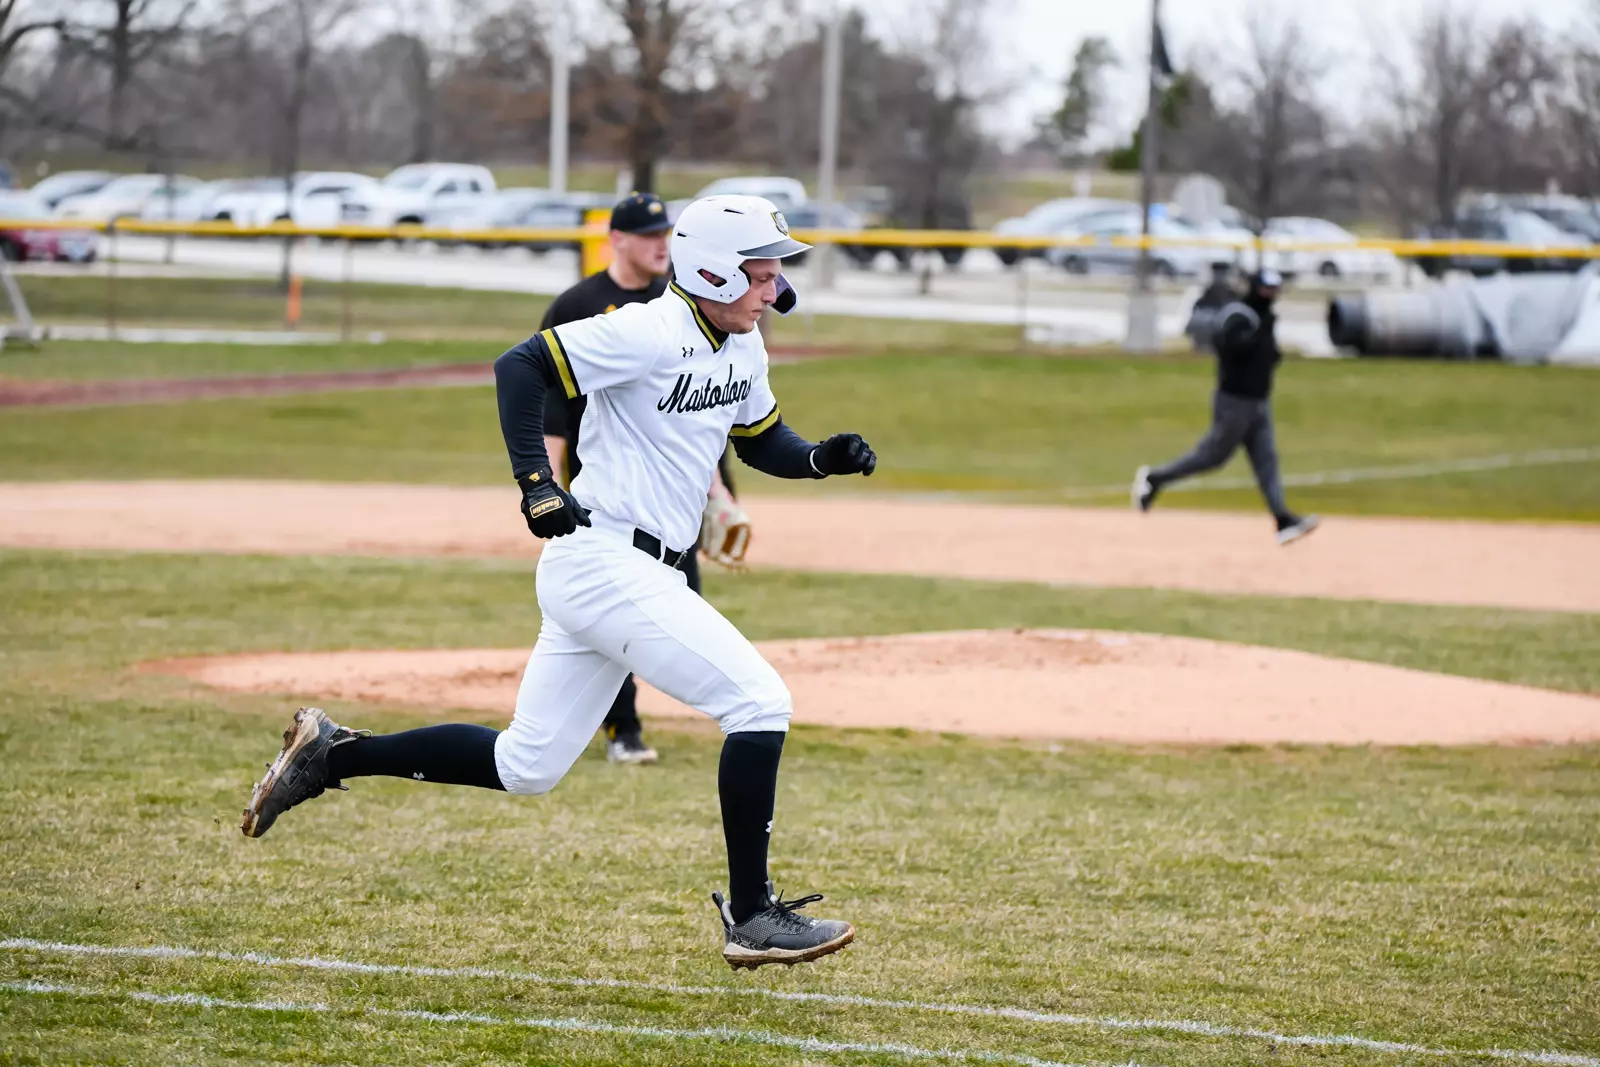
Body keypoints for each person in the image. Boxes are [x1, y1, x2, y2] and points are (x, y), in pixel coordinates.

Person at [241, 194, 878, 970]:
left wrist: (818, 458)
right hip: (602, 557)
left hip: (633, 568)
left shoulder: (742, 345)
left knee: (526, 765)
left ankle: (329, 755)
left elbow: (758, 437)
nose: (776, 290)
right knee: (759, 701)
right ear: (710, 268)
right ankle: (751, 915)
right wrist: (536, 480)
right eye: (762, 273)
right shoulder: (647, 328)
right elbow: (522, 364)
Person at [538, 191, 741, 767]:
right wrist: (545, 485)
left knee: (682, 607)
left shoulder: (682, 301)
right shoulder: (579, 304)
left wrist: (721, 492)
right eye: (649, 234)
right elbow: (551, 404)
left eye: (667, 234)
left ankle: (731, 712)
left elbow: (702, 407)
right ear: (616, 240)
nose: (662, 244)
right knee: (615, 618)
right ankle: (621, 727)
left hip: (674, 498)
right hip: (606, 499)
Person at [1132, 268, 1320, 546]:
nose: (1270, 294)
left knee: (1267, 462)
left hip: (1258, 402)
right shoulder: (1238, 314)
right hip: (1234, 402)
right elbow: (1230, 348)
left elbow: (1269, 357)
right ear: (1255, 288)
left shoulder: (1263, 318)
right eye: (1266, 288)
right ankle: (1154, 478)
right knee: (1211, 457)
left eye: (1274, 289)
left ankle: (1282, 519)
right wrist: (1261, 336)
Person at [1184, 261, 1236, 351]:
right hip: (1207, 341)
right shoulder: (1204, 298)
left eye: (1222, 274)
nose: (1219, 277)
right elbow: (1192, 326)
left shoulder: (1233, 296)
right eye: (1217, 274)